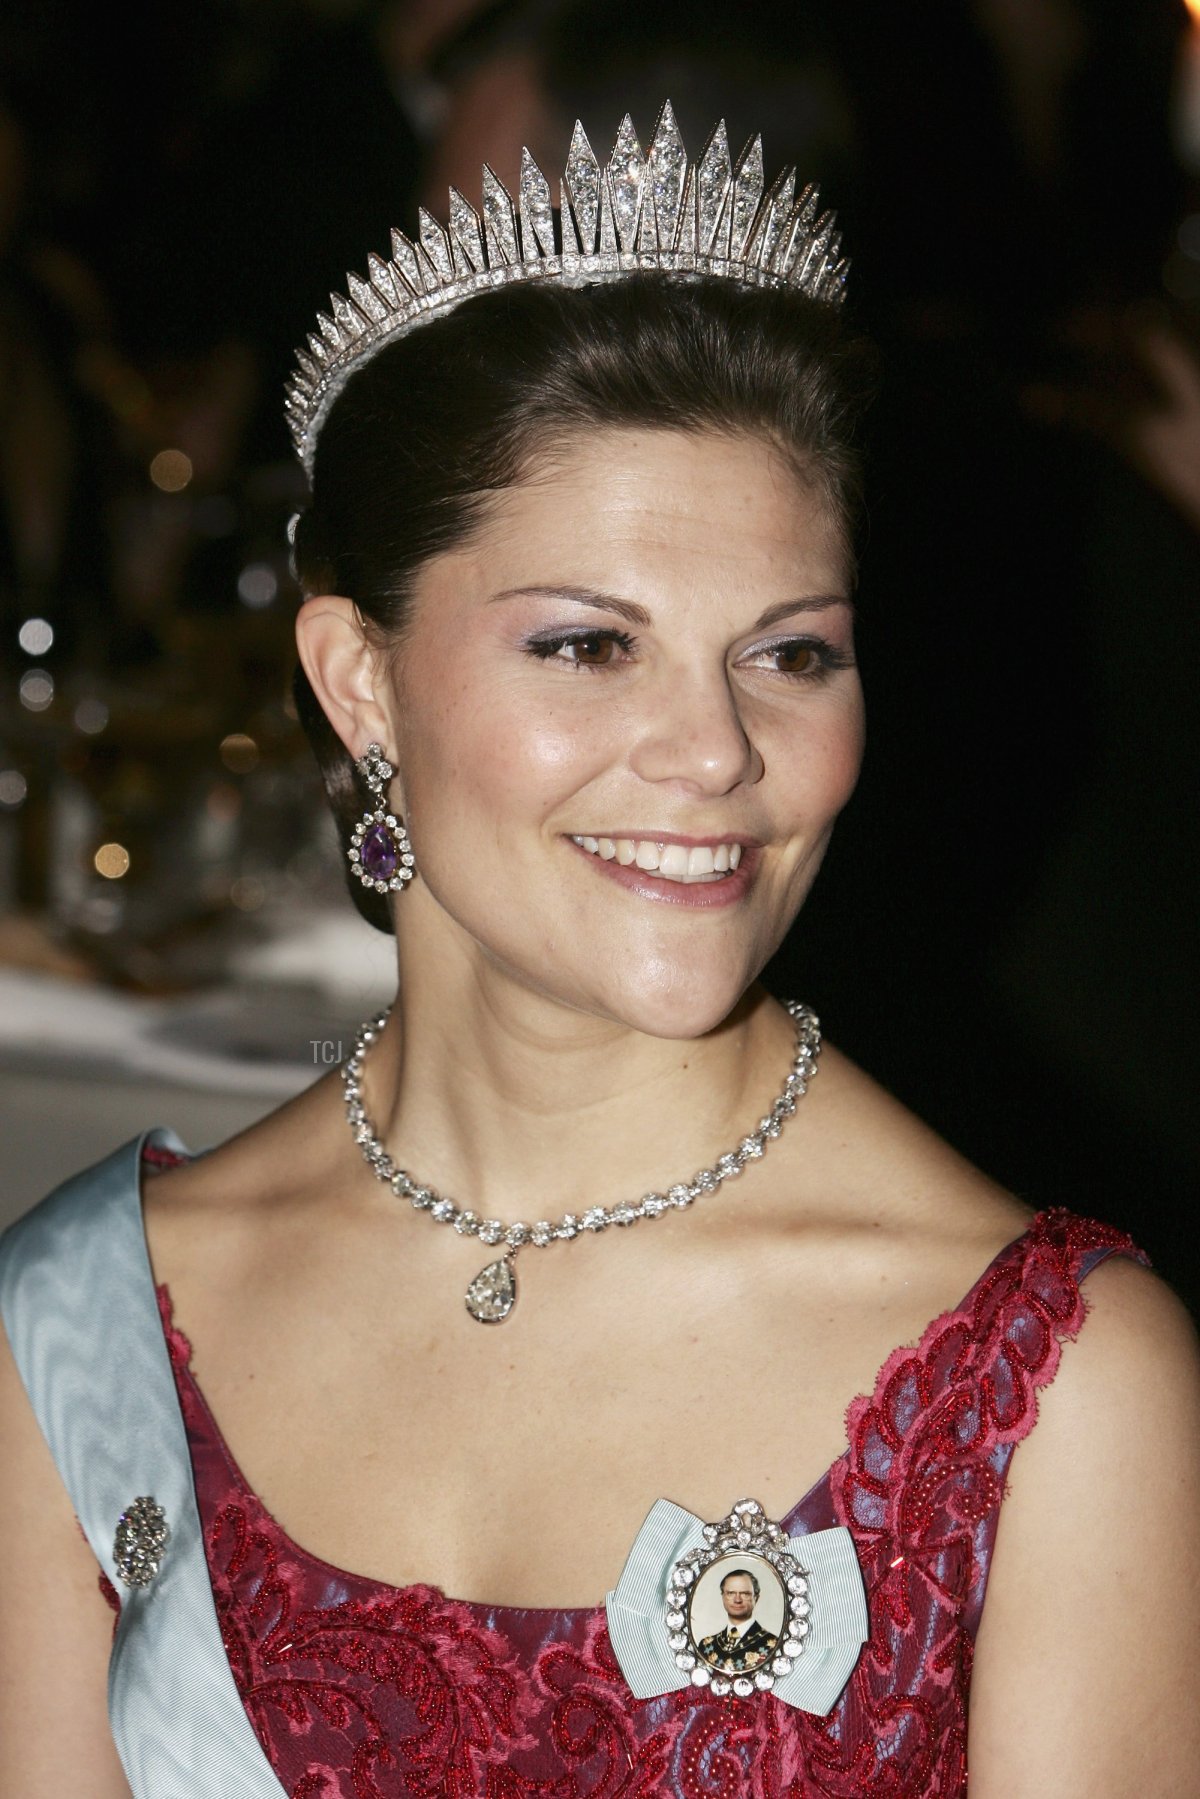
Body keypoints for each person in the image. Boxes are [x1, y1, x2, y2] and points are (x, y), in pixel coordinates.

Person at [2, 103, 1199, 1799]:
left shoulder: (1055, 1385)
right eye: (587, 644)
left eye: (790, 654)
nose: (713, 751)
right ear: (359, 682)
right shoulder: (81, 1328)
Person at [696, 1566, 780, 1672]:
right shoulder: (706, 1645)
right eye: (731, 1593)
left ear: (756, 1598)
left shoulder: (773, 1645)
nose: (737, 1600)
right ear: (723, 1597)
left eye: (745, 1593)